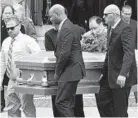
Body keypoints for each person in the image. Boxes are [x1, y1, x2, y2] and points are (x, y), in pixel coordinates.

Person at [95, 4, 137, 117]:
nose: (103, 17)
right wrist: (104, 72)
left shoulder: (125, 28)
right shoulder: (110, 28)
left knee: (120, 110)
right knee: (102, 100)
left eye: (105, 15)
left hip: (121, 76)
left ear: (114, 15)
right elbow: (110, 52)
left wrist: (123, 74)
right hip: (109, 75)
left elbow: (129, 53)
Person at [48, 4, 86, 117]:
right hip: (73, 69)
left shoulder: (66, 28)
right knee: (67, 103)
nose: (50, 19)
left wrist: (57, 72)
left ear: (58, 14)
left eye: (51, 16)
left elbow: (64, 53)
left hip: (71, 70)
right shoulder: (69, 26)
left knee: (61, 102)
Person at [0, 15, 41, 117]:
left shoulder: (28, 41)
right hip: (11, 81)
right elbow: (3, 62)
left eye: (12, 28)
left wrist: (33, 77)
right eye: (7, 28)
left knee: (27, 109)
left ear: (19, 26)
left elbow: (39, 56)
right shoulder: (6, 42)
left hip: (24, 80)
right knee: (12, 110)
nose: (9, 30)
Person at [0, 5, 25, 113]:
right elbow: (2, 62)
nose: (7, 15)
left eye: (9, 13)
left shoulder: (23, 34)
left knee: (25, 106)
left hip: (21, 75)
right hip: (9, 75)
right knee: (12, 108)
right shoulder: (4, 38)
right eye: (5, 13)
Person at [121, 4, 137, 103]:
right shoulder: (118, 24)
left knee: (133, 81)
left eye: (129, 14)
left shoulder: (135, 24)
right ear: (121, 13)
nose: (128, 16)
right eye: (126, 14)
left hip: (132, 56)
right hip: (121, 57)